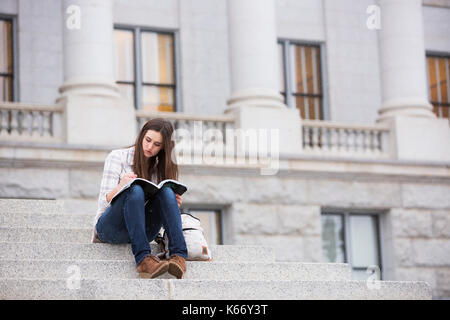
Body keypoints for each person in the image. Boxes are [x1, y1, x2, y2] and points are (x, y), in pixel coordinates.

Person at [93, 118, 188, 279]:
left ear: (163, 148)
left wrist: (172, 202)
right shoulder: (117, 157)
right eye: (148, 140)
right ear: (141, 136)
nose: (150, 147)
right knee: (135, 190)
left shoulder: (159, 169)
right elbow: (103, 202)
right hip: (110, 228)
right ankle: (143, 259)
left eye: (157, 145)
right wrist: (121, 186)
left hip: (144, 230)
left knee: (166, 192)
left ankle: (178, 256)